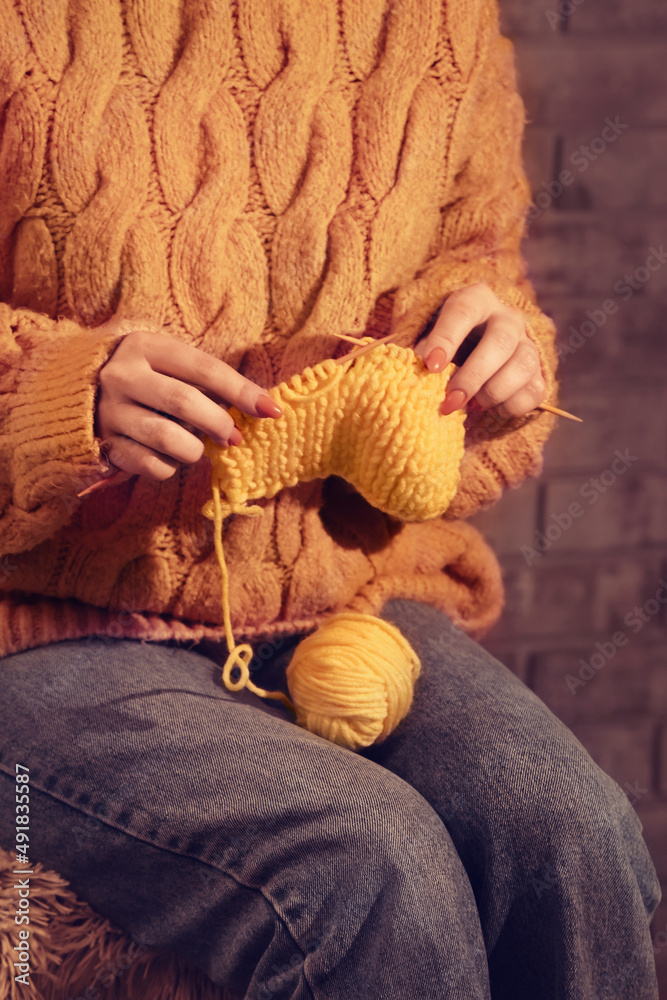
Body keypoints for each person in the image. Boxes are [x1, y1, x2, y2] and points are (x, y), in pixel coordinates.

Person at [0, 0, 661, 997]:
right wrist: (49, 400)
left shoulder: (440, 19)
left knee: (569, 824)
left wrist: (496, 363)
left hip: (335, 599)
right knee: (370, 869)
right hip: (40, 628)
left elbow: (475, 270)